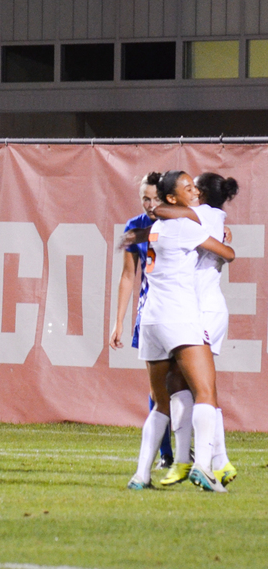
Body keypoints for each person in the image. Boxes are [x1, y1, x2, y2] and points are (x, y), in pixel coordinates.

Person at [127, 171, 233, 492]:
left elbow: (153, 218)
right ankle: (204, 465)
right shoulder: (187, 225)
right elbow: (227, 255)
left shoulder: (157, 229)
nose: (195, 193)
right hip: (179, 316)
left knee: (161, 401)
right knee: (206, 392)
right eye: (188, 189)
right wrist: (224, 243)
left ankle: (141, 475)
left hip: (150, 320)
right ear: (173, 198)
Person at [109, 172, 174, 469]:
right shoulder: (135, 227)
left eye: (155, 198)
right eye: (145, 199)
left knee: (185, 388)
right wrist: (118, 321)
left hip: (182, 313)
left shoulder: (179, 223)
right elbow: (127, 276)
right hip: (149, 315)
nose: (150, 204)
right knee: (158, 389)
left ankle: (189, 452)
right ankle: (166, 455)